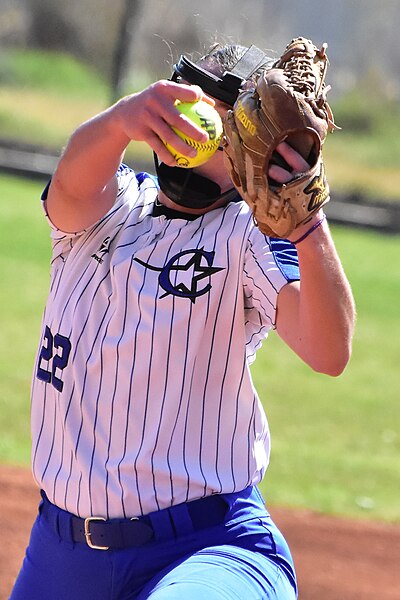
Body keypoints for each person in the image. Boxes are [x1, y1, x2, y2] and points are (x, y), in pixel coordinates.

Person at [11, 42, 355, 599]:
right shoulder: (112, 203)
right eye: (186, 118)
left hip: (206, 549)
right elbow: (72, 186)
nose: (191, 143)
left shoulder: (247, 236)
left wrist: (307, 222)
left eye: (221, 130)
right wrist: (124, 117)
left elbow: (328, 349)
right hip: (62, 555)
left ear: (254, 151)